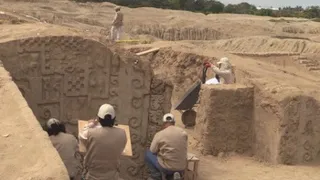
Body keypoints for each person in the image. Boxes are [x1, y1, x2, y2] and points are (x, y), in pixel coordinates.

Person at [79, 104, 127, 180]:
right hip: (113, 176)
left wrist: (91, 124)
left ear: (98, 119)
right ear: (114, 119)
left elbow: (81, 134)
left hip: (92, 176)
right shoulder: (122, 133)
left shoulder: (90, 133)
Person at [145, 113, 188, 180]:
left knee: (148, 153)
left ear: (164, 123)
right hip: (182, 167)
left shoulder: (160, 134)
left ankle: (156, 176)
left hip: (167, 167)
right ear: (174, 122)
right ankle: (174, 175)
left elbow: (152, 150)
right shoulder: (183, 132)